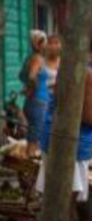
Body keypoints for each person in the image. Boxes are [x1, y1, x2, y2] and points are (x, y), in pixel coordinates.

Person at [37, 30, 92, 206]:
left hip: (53, 134)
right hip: (71, 141)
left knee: (55, 195)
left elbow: (68, 93)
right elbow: (88, 117)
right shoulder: (91, 75)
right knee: (67, 198)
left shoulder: (73, 64)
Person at [20, 30, 50, 158]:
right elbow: (32, 76)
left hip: (35, 101)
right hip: (38, 101)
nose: (46, 45)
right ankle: (29, 162)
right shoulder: (37, 58)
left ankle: (30, 164)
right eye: (44, 43)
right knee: (35, 134)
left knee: (34, 133)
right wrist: (33, 89)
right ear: (38, 44)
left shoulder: (31, 57)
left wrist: (29, 89)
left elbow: (22, 76)